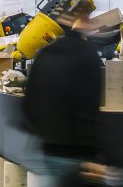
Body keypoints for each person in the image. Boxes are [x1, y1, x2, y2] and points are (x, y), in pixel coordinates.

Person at [23, 30, 102, 187]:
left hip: (47, 148)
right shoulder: (89, 55)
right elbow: (89, 107)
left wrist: (39, 132)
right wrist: (90, 152)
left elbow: (29, 102)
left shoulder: (44, 53)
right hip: (76, 154)